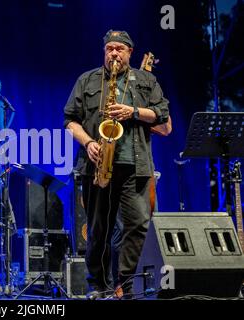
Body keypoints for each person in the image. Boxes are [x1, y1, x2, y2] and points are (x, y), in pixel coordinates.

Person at [64, 30, 169, 299]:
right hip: (97, 165)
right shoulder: (87, 80)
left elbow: (162, 116)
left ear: (129, 52)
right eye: (110, 48)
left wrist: (132, 112)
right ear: (104, 51)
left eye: (119, 49)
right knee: (98, 230)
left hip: (135, 166)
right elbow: (70, 121)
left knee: (138, 224)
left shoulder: (146, 80)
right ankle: (99, 286)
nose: (114, 53)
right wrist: (88, 143)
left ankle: (126, 283)